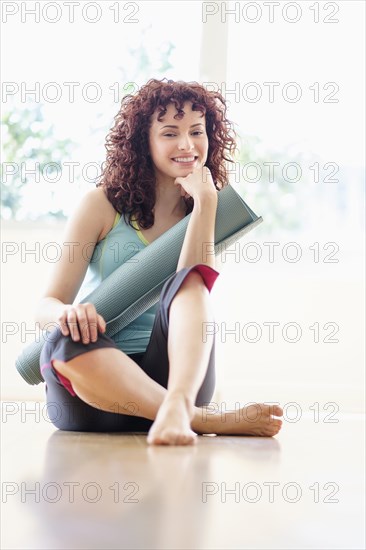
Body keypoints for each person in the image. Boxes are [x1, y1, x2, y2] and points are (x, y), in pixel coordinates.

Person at [35, 78, 283, 445]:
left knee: (192, 280)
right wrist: (64, 315)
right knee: (60, 339)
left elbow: (195, 285)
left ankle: (180, 407)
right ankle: (199, 419)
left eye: (196, 131)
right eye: (170, 133)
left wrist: (205, 204)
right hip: (93, 391)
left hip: (172, 376)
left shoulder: (205, 208)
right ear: (143, 142)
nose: (186, 145)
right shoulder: (101, 206)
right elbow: (46, 304)